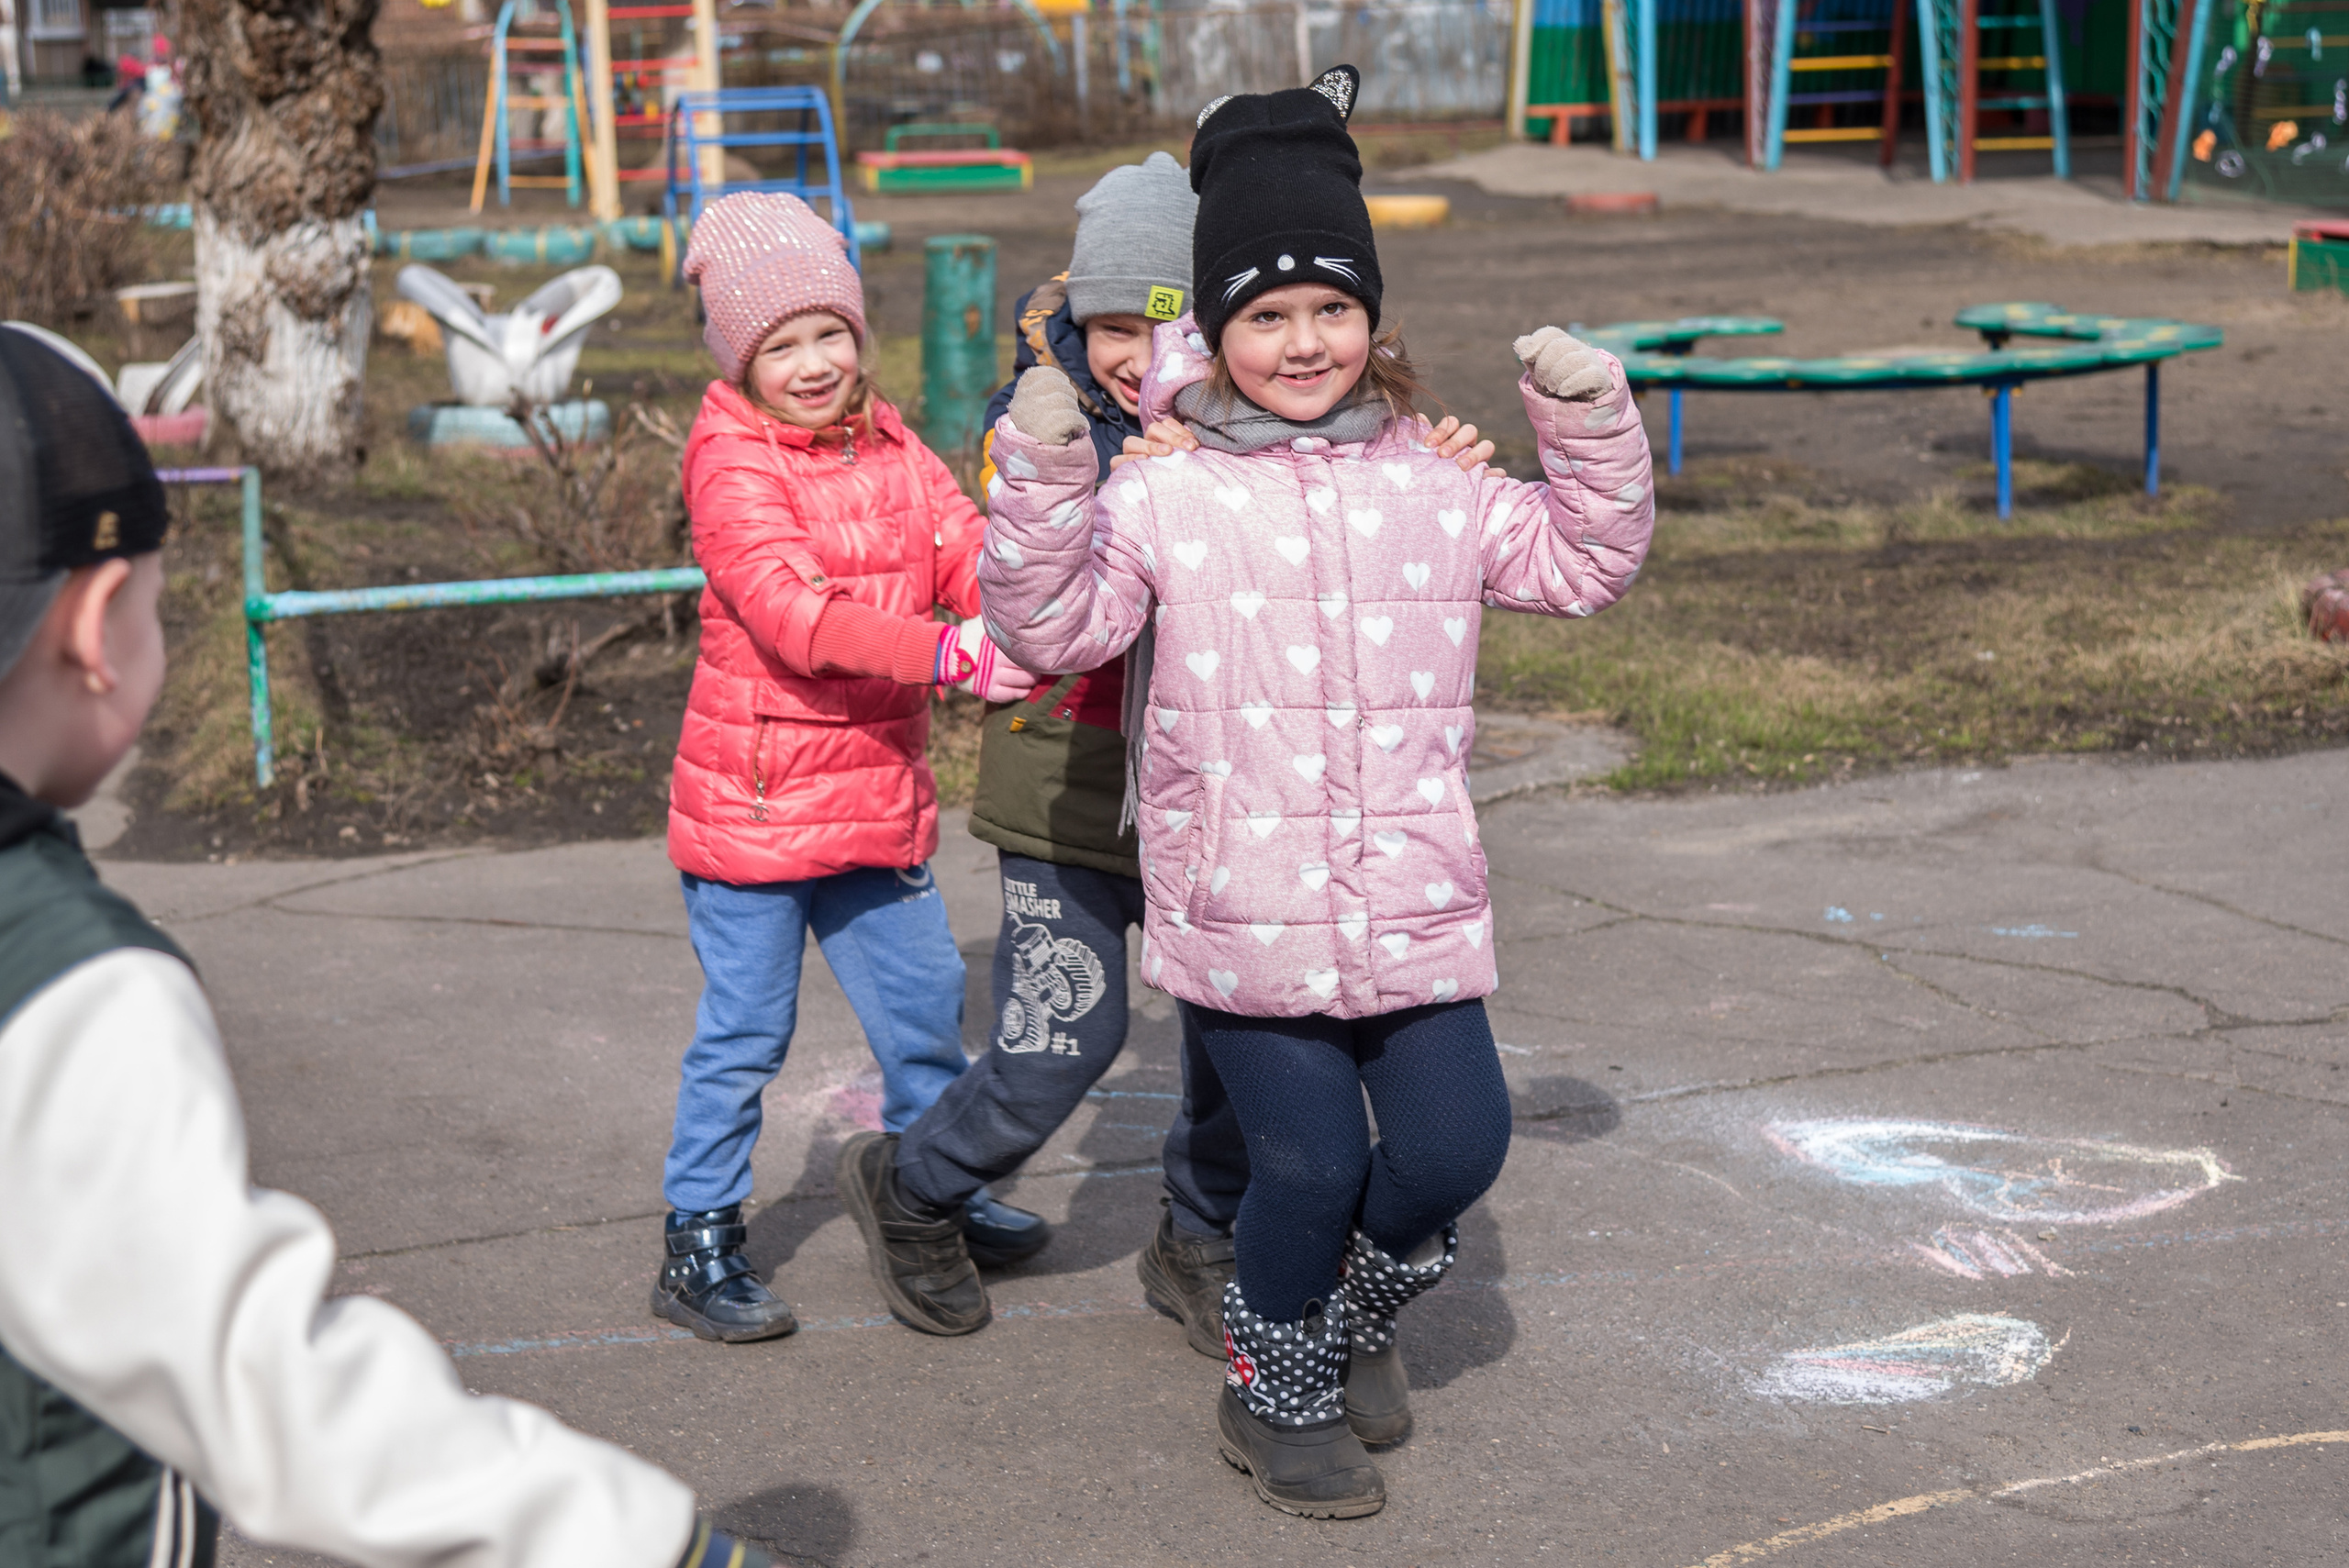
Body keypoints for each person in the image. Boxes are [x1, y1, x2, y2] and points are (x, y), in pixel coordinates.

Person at [974, 67, 1656, 1518]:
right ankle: (1273, 1384)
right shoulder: (1162, 489)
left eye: (1332, 309)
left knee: (1455, 1148)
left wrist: (1585, 418)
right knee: (1302, 1158)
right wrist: (1042, 475)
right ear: (1217, 331)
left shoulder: (1434, 481)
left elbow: (1582, 564)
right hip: (1245, 913)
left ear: (1374, 321)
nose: (1303, 342)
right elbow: (1053, 627)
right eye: (1266, 316)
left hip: (1414, 903)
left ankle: (1340, 1321)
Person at [0, 322, 770, 1568]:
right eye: (155, 601)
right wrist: (638, 1544)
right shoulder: (68, 989)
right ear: (96, 630)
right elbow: (275, 1400)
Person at [852, 152, 1502, 1350]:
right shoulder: (1036, 423)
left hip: (1219, 798)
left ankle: (1198, 1235)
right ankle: (915, 1188)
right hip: (1067, 789)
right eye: (1110, 325)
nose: (1133, 357)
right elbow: (1043, 565)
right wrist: (1116, 475)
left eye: (1164, 325)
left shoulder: (1228, 435)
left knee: (1232, 1049)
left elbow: (1340, 499)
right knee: (1068, 1037)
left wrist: (1432, 469)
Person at [656, 192, 1043, 1345]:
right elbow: (793, 614)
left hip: (873, 791)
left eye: (832, 333)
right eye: (782, 344)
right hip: (758, 811)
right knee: (745, 1033)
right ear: (739, 354)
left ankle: (937, 1190)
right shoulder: (730, 460)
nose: (816, 363)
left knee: (926, 1011)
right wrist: (951, 653)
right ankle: (699, 1237)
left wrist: (1032, 605)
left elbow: (962, 548)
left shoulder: (891, 442)